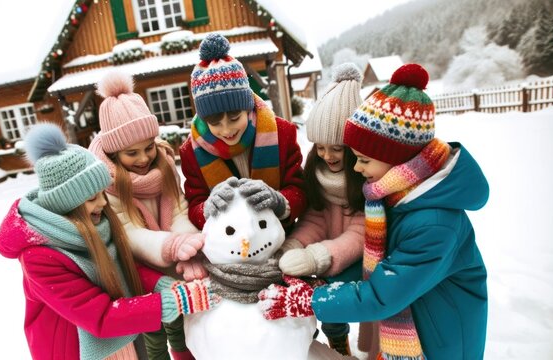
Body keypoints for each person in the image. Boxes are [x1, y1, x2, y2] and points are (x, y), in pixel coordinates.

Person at [259, 64, 489, 360]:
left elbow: (382, 294)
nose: (356, 168)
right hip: (410, 325)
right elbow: (378, 265)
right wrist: (321, 282)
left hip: (440, 341)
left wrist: (311, 299)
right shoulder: (393, 195)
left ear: (395, 158)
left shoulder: (434, 224)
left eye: (364, 160)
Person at [0, 123, 218, 360]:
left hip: (124, 341)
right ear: (66, 204)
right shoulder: (39, 258)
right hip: (77, 351)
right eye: (93, 198)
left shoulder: (97, 224)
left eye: (102, 194)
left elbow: (121, 267)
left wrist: (161, 285)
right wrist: (174, 301)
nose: (103, 203)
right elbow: (100, 315)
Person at [88, 71, 204, 360]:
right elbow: (128, 234)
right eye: (132, 153)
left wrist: (188, 245)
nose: (143, 159)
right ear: (114, 154)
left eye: (148, 147)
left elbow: (178, 209)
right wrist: (172, 246)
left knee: (180, 325)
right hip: (140, 274)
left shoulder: (163, 166)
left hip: (175, 264)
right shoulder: (108, 185)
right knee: (154, 332)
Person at [276, 63, 367, 356]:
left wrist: (317, 257)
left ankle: (338, 341)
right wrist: (294, 244)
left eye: (336, 148)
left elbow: (359, 233)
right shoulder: (317, 172)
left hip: (356, 260)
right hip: (326, 255)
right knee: (305, 289)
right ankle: (317, 340)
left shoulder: (365, 180)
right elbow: (315, 216)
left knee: (331, 296)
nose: (327, 155)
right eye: (321, 147)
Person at [179, 33, 307, 233]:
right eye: (215, 122)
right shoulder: (190, 152)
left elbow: (300, 190)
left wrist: (280, 202)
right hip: (228, 246)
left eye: (234, 118)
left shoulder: (282, 134)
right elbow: (194, 205)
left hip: (279, 235)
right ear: (204, 119)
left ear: (247, 108)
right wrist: (207, 209)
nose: (227, 130)